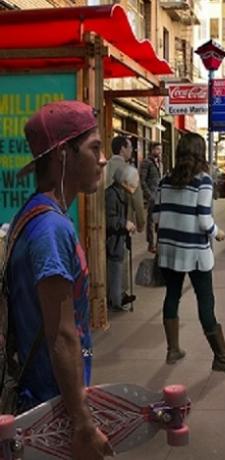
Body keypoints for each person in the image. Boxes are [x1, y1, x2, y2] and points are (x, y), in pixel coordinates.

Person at [7, 101, 113, 458]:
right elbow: (62, 335)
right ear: (63, 155)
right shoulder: (51, 229)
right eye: (94, 148)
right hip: (49, 412)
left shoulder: (35, 215)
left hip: (46, 403)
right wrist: (82, 423)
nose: (103, 158)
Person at [153, 133, 225, 375]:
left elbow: (156, 216)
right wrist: (218, 233)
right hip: (195, 252)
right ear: (200, 153)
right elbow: (205, 220)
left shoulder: (165, 180)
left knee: (172, 296)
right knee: (206, 302)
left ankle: (172, 350)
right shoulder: (203, 181)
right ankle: (221, 358)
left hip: (169, 249)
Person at [105, 135, 145, 307]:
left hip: (104, 220)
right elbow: (137, 199)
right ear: (122, 148)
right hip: (122, 221)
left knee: (108, 259)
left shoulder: (104, 167)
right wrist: (141, 222)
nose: (131, 151)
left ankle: (108, 293)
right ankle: (118, 295)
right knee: (120, 258)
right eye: (129, 147)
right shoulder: (129, 170)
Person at [105, 166, 138, 312]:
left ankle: (119, 296)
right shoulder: (112, 195)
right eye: (133, 184)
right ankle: (116, 300)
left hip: (119, 239)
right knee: (115, 270)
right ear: (124, 182)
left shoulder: (121, 194)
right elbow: (108, 219)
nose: (135, 187)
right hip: (114, 240)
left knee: (119, 268)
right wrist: (124, 223)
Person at [139, 142, 162, 253]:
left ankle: (158, 243)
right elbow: (142, 180)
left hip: (159, 195)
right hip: (153, 196)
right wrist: (149, 195)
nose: (159, 151)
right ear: (152, 150)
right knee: (151, 221)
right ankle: (151, 243)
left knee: (158, 220)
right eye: (157, 149)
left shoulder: (159, 162)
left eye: (160, 149)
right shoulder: (146, 162)